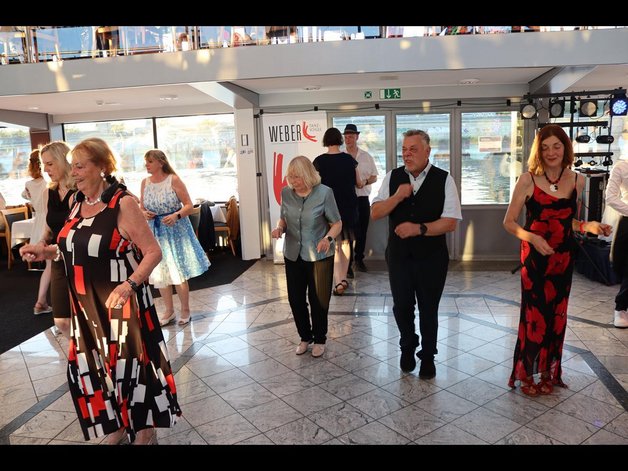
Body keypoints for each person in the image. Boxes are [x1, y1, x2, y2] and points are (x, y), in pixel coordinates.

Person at [20, 137, 181, 445]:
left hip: (121, 304)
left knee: (131, 367)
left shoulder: (122, 203)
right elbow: (73, 248)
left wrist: (130, 284)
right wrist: (46, 251)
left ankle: (144, 428)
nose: (74, 173)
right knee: (96, 368)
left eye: (80, 166)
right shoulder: (77, 203)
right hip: (86, 305)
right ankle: (117, 424)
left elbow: (153, 252)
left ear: (102, 167)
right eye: (72, 166)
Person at [503, 124, 611, 396]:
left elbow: (567, 221)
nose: (551, 152)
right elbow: (509, 222)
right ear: (538, 151)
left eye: (556, 146)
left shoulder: (577, 180)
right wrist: (532, 238)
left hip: (563, 258)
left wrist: (589, 226)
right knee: (535, 315)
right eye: (545, 147)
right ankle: (527, 373)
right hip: (535, 258)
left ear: (566, 148)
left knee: (557, 316)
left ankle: (548, 372)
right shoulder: (527, 180)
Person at [371, 130, 461, 377]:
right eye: (404, 149)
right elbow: (376, 212)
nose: (407, 154)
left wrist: (419, 228)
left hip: (432, 257)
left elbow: (451, 222)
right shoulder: (393, 177)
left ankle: (428, 356)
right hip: (399, 256)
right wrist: (397, 196)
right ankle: (408, 345)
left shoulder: (444, 179)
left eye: (413, 149)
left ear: (427, 151)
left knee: (429, 308)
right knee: (401, 306)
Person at [271, 156, 342, 358]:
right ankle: (305, 337)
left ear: (308, 175)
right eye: (290, 177)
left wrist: (327, 238)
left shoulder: (325, 193)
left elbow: (337, 223)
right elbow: (283, 218)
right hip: (293, 254)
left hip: (319, 255)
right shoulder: (286, 193)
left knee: (319, 301)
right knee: (295, 300)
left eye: (297, 177)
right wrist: (279, 228)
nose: (293, 181)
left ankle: (320, 339)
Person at [141, 149, 210, 326]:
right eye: (146, 161)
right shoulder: (145, 182)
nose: (146, 165)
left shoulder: (174, 180)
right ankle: (169, 310)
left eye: (150, 161)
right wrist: (145, 213)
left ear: (160, 162)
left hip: (175, 230)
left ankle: (185, 309)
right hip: (155, 231)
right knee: (160, 272)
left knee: (177, 271)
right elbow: (141, 207)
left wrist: (176, 215)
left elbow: (189, 205)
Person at [313, 127, 362, 295]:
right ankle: (343, 278)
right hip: (348, 205)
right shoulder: (349, 159)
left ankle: (337, 281)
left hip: (328, 207)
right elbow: (359, 183)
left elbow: (314, 186)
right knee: (346, 242)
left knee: (332, 242)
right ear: (340, 140)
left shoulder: (319, 161)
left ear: (325, 141)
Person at [36, 142, 76, 336]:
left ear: (63, 161)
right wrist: (41, 242)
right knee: (62, 321)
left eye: (50, 164)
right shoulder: (48, 192)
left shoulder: (79, 191)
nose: (45, 170)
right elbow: (49, 227)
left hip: (80, 259)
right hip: (59, 258)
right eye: (44, 164)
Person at [343, 124, 378, 273]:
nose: (348, 139)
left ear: (357, 137)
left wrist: (365, 182)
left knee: (362, 231)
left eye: (351, 136)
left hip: (362, 198)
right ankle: (348, 263)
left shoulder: (366, 156)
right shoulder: (341, 156)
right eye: (346, 137)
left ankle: (359, 260)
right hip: (346, 200)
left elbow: (374, 177)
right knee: (347, 232)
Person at [22, 149, 51, 315]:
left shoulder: (29, 184)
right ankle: (41, 301)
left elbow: (25, 196)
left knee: (50, 266)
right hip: (48, 221)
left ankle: (41, 301)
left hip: (38, 221)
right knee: (51, 265)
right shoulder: (48, 183)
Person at [604, 158, 628, 328]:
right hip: (627, 219)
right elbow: (610, 197)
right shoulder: (622, 167)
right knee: (625, 265)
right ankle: (621, 307)